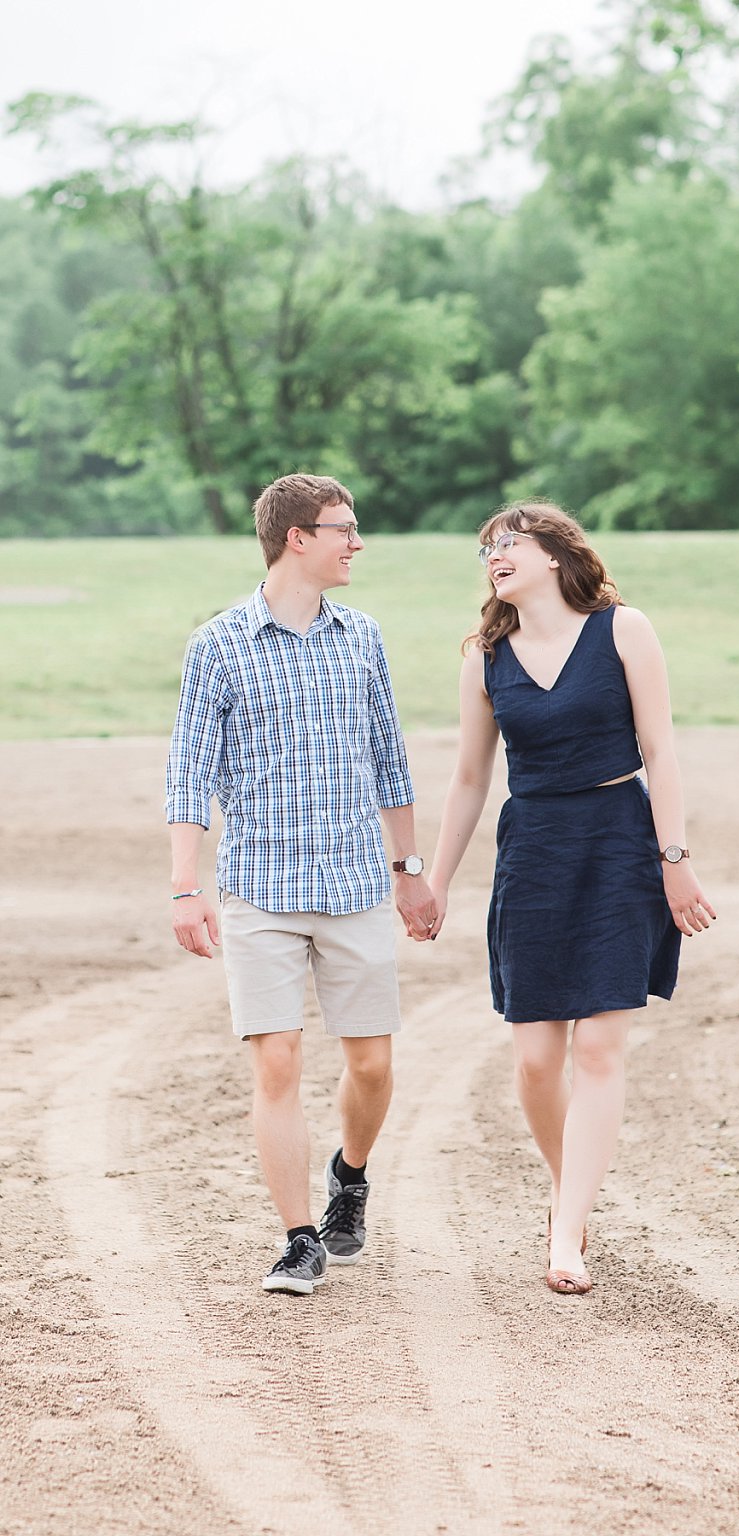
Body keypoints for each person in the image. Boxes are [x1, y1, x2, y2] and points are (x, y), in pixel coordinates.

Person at [424, 500, 715, 1296]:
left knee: (597, 1049)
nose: (494, 557)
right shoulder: (485, 659)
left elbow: (661, 750)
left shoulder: (624, 630)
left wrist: (674, 859)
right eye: (486, 549)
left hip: (620, 842)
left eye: (509, 543)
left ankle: (564, 1236)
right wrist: (435, 879)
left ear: (555, 554)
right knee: (533, 1061)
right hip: (535, 851)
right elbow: (470, 779)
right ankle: (571, 1198)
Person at [166, 473, 439, 1296]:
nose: (357, 543)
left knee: (371, 1066)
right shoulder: (217, 645)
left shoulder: (363, 638)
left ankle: (349, 1178)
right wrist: (187, 885)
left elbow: (390, 761)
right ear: (298, 537)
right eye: (344, 528)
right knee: (276, 1063)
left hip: (357, 883)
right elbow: (189, 775)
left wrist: (411, 873)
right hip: (258, 888)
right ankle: (298, 1239)